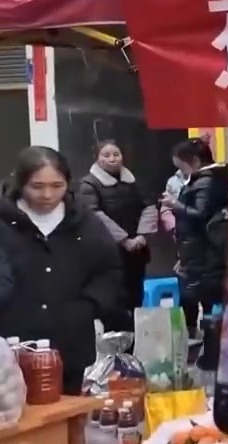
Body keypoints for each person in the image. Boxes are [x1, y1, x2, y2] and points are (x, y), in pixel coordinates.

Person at [0, 147, 124, 394]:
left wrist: (90, 306)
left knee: (71, 410)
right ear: (20, 183)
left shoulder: (84, 222)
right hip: (12, 345)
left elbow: (109, 269)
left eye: (57, 186)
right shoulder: (5, 222)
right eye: (37, 186)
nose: (47, 195)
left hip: (72, 343)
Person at [162, 138, 228, 337]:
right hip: (198, 251)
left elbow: (200, 214)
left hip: (204, 251)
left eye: (182, 167)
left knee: (199, 298)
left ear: (194, 161)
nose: (182, 173)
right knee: (201, 299)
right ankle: (201, 337)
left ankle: (200, 340)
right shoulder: (210, 178)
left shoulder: (206, 181)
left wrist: (175, 204)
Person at [79, 140, 158, 311]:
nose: (112, 159)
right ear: (97, 158)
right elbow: (95, 214)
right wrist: (123, 240)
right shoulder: (88, 184)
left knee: (135, 296)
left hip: (137, 249)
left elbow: (149, 206)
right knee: (114, 299)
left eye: (116, 154)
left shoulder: (134, 181)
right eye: (106, 155)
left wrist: (142, 236)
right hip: (107, 251)